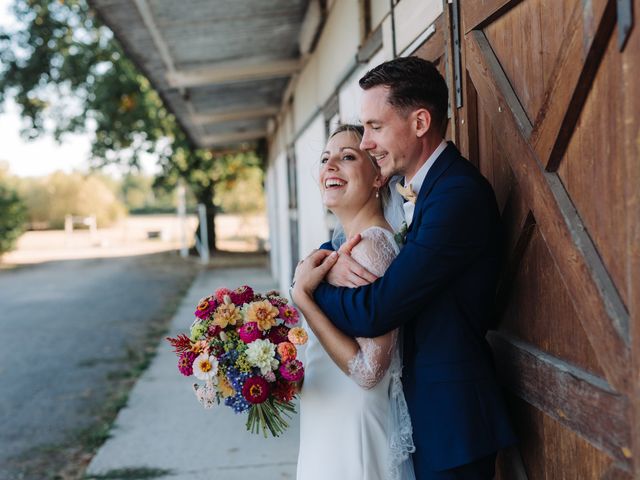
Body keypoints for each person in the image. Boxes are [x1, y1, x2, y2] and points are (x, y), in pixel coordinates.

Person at [292, 57, 516, 479]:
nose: (369, 143)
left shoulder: (455, 195)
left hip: (451, 420)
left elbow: (381, 307)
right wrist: (318, 266)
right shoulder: (428, 190)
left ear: (419, 123)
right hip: (426, 416)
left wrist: (308, 289)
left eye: (376, 127)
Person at [293, 124, 415, 480]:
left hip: (352, 424)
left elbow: (368, 371)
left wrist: (303, 297)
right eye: (325, 159)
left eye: (347, 157)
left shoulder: (371, 247)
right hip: (327, 416)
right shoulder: (341, 250)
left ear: (378, 177)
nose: (330, 166)